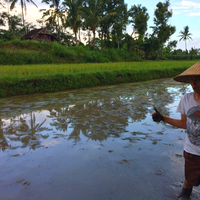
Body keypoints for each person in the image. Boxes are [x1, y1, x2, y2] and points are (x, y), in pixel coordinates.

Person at [152, 61, 200, 199]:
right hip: (192, 151)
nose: (193, 84)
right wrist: (163, 118)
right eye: (191, 80)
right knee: (189, 180)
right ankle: (184, 197)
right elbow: (184, 123)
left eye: (198, 80)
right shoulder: (186, 99)